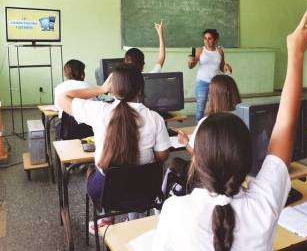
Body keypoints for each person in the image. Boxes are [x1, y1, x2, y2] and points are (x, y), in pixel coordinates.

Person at [152, 5, 307, 251]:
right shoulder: (264, 205)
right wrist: (296, 54)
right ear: (248, 158)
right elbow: (285, 125)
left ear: (197, 161)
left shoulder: (175, 211)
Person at [58, 63, 171, 231]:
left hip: (107, 194)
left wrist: (102, 88)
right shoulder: (155, 118)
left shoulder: (99, 111)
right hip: (144, 191)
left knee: (92, 171)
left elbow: (62, 97)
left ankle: (106, 219)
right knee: (139, 174)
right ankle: (133, 221)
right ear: (140, 88)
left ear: (113, 88)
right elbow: (163, 156)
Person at [177, 74, 241, 154]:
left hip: (214, 166)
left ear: (213, 96)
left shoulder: (206, 122)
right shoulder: (244, 116)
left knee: (176, 162)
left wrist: (185, 142)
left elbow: (197, 155)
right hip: (242, 165)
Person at [95, 21, 166, 84]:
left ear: (124, 63)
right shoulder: (148, 77)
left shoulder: (118, 81)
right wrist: (160, 35)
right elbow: (161, 58)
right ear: (143, 65)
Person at [188, 29, 232, 123]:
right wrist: (190, 61)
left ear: (215, 40)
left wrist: (227, 67)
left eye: (209, 38)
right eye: (205, 38)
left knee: (216, 107)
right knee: (200, 108)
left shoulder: (220, 51)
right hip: (202, 82)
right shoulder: (200, 50)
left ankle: (213, 128)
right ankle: (198, 129)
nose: (207, 41)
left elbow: (222, 67)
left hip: (216, 83)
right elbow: (191, 66)